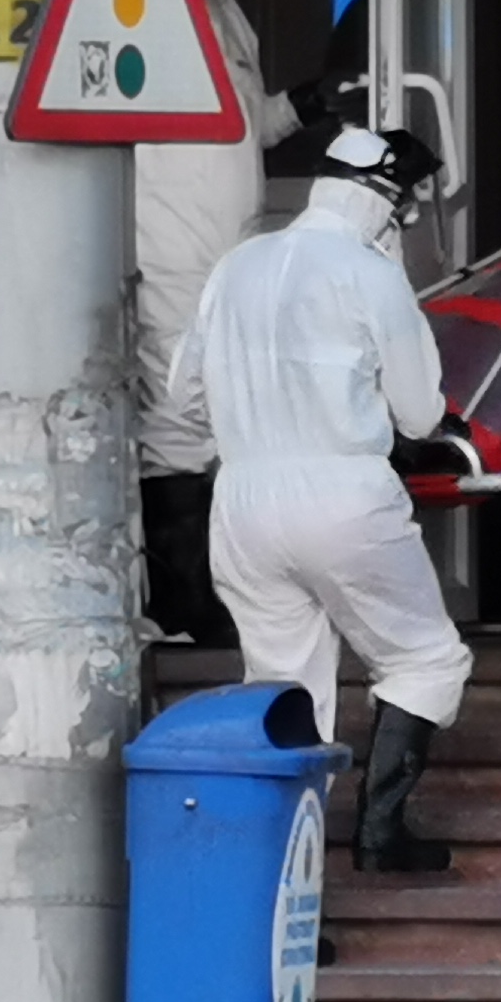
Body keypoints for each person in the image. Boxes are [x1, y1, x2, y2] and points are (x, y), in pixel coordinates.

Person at [169, 125, 471, 873]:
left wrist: (259, 417)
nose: (402, 222)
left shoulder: (236, 265)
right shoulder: (371, 274)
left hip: (242, 500)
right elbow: (420, 414)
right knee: (425, 658)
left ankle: (282, 871)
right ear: (381, 200)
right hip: (343, 491)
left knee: (283, 686)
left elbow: (184, 397)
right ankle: (379, 833)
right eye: (402, 207)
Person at [134, 0, 339, 643]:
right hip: (170, 243)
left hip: (230, 250)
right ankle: (183, 603)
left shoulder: (227, 16)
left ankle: (223, 594)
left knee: (227, 414)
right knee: (177, 415)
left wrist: (307, 104)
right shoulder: (141, 5)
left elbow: (240, 125)